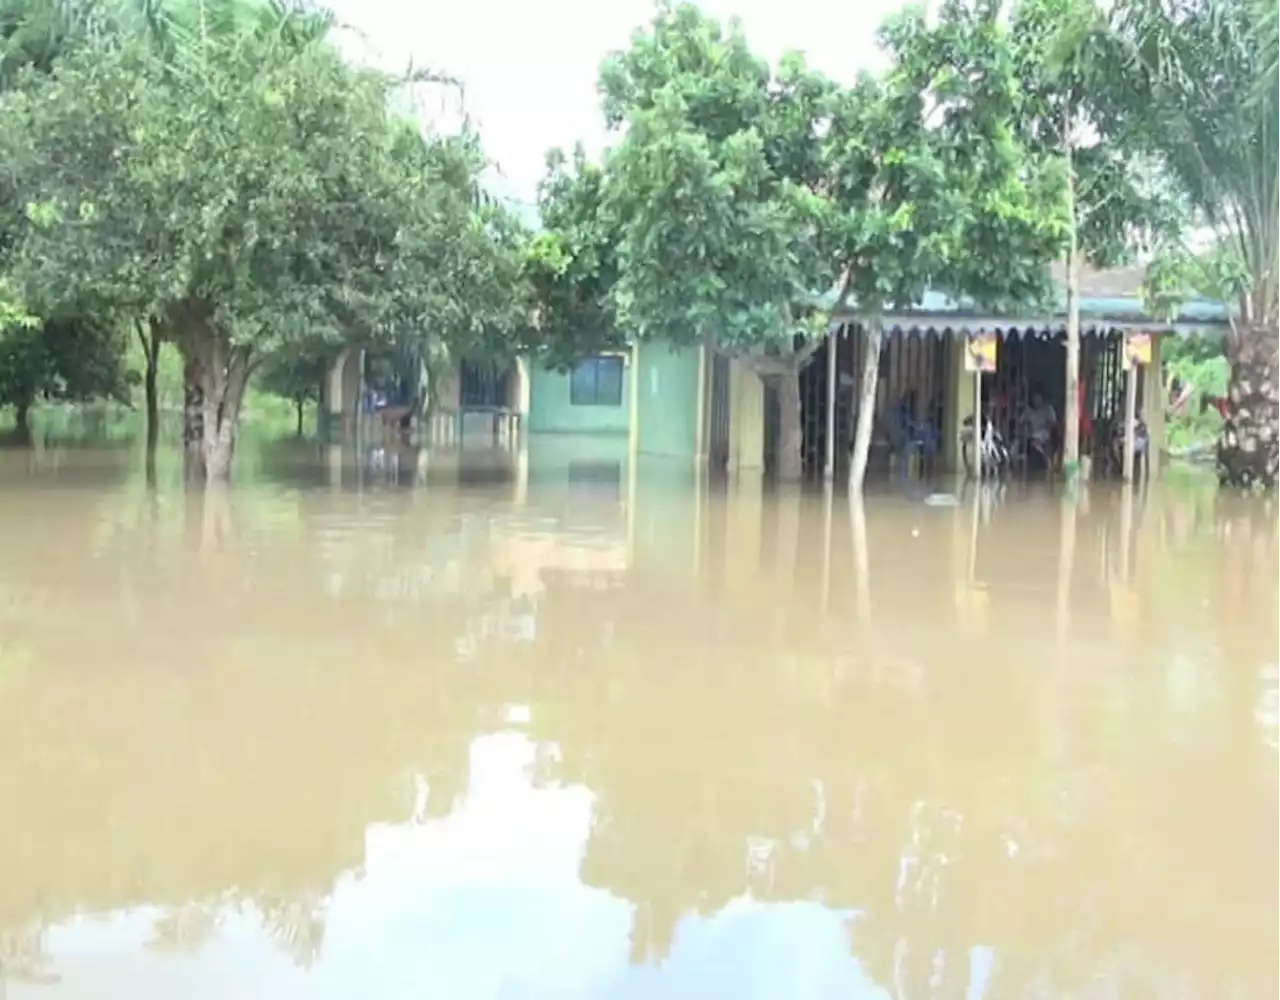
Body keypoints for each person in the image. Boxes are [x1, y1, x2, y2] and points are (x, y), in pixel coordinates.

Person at [1023, 388, 1058, 472]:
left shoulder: (1048, 409)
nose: (1036, 400)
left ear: (1042, 398)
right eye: (1034, 398)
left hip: (1044, 433)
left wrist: (1045, 426)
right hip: (1030, 434)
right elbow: (1022, 422)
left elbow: (1054, 424)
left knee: (1036, 439)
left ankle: (1046, 459)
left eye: (1038, 398)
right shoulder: (1028, 410)